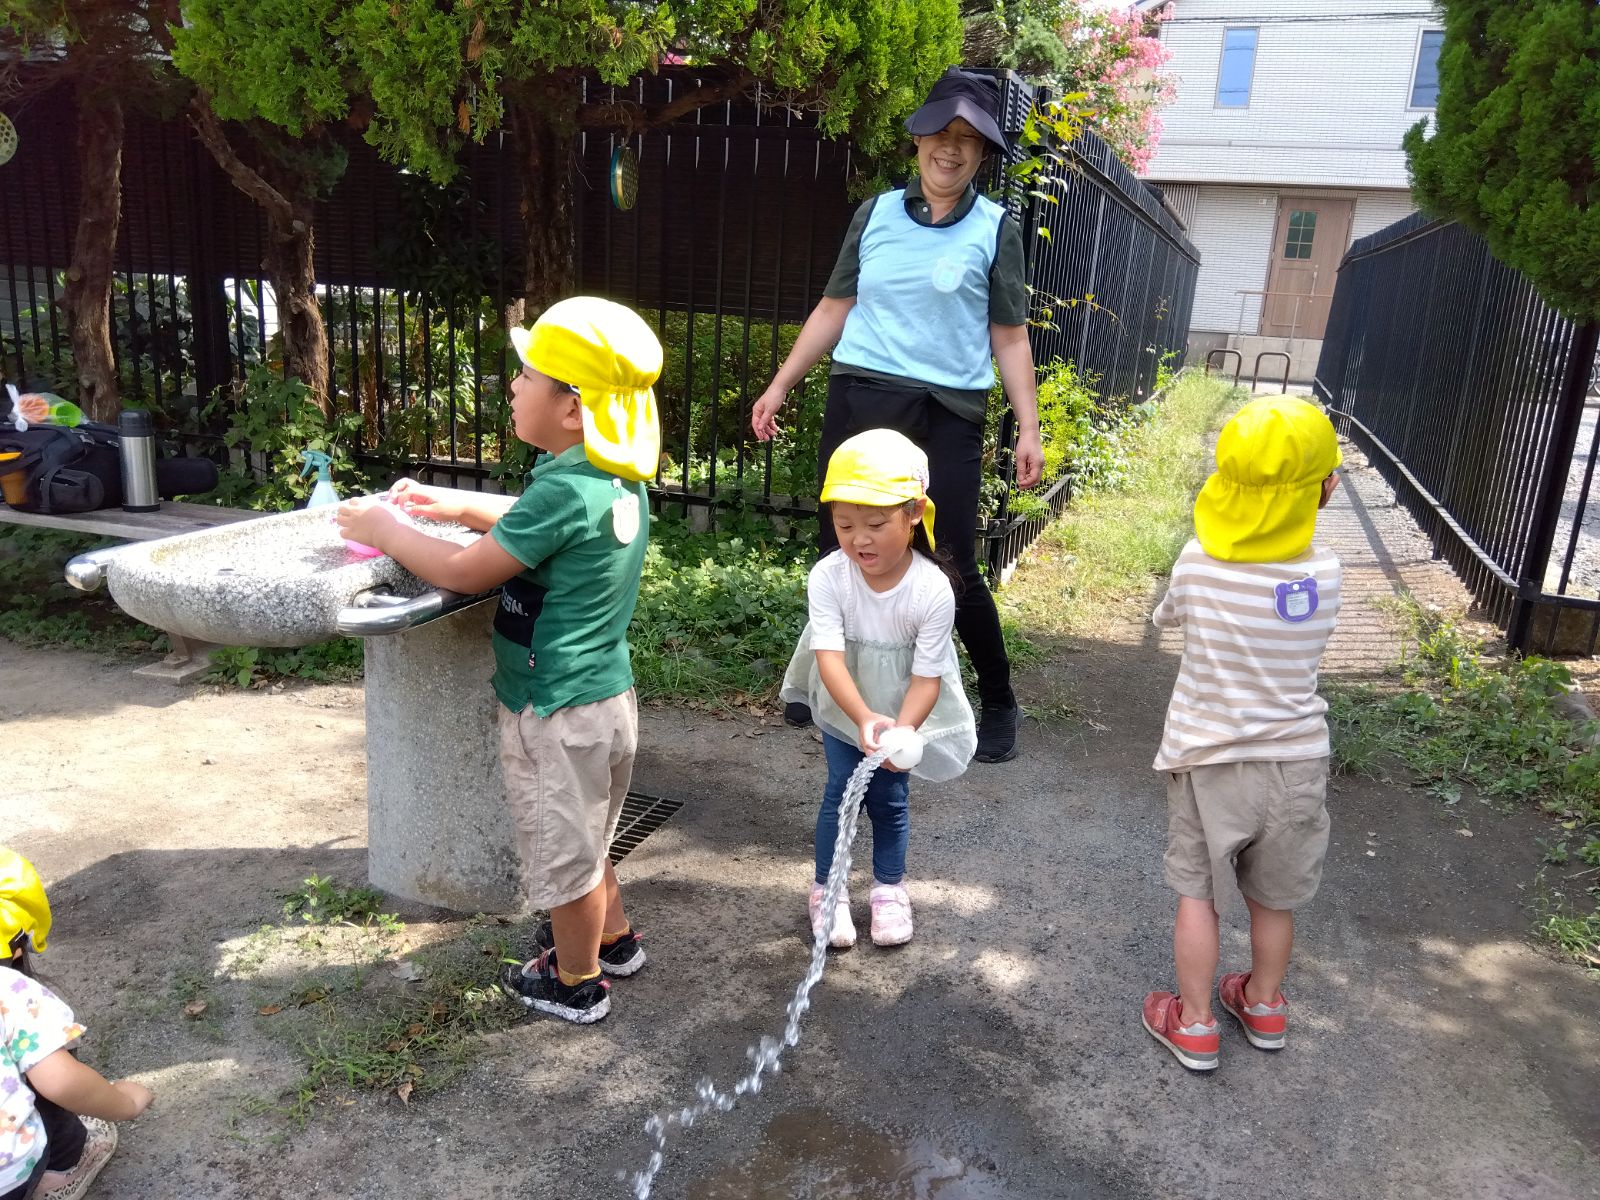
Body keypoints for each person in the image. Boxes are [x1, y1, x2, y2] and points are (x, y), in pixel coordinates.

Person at [337, 296, 662, 1025]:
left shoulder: (562, 490)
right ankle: (614, 941)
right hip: (605, 701)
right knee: (591, 835)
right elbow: (536, 524)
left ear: (572, 408)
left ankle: (574, 983)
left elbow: (465, 573)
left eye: (525, 375)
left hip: (551, 714)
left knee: (566, 857)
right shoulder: (611, 478)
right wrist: (453, 504)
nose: (512, 386)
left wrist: (388, 527)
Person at [751, 67, 1043, 765]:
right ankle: (821, 687)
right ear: (918, 139)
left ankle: (998, 697)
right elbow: (834, 308)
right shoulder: (875, 215)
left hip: (947, 410)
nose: (953, 149)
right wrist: (782, 382)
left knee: (951, 564)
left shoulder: (995, 228)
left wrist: (1029, 426)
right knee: (841, 546)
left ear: (981, 154)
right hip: (862, 396)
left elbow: (1009, 335)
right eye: (942, 133)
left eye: (969, 140)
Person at [1140, 397, 1344, 1072]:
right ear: (1327, 488)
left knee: (1198, 893)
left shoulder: (1199, 564)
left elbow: (1167, 616)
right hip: (1296, 764)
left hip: (1208, 763)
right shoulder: (1327, 576)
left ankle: (1195, 1023)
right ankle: (1263, 1003)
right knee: (1273, 898)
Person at [780, 429, 976, 948]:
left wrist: (902, 731)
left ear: (913, 513)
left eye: (874, 524)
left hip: (906, 705)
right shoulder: (830, 577)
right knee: (843, 790)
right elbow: (829, 658)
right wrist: (864, 718)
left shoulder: (932, 590)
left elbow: (927, 678)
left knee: (890, 796)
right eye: (844, 524)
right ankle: (828, 888)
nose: (858, 539)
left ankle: (889, 889)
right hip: (846, 699)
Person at [1, 847, 155, 1200]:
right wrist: (124, 1103)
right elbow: (61, 1082)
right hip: (7, 1178)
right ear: (18, 948)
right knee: (36, 1065)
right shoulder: (9, 991)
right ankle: (66, 1167)